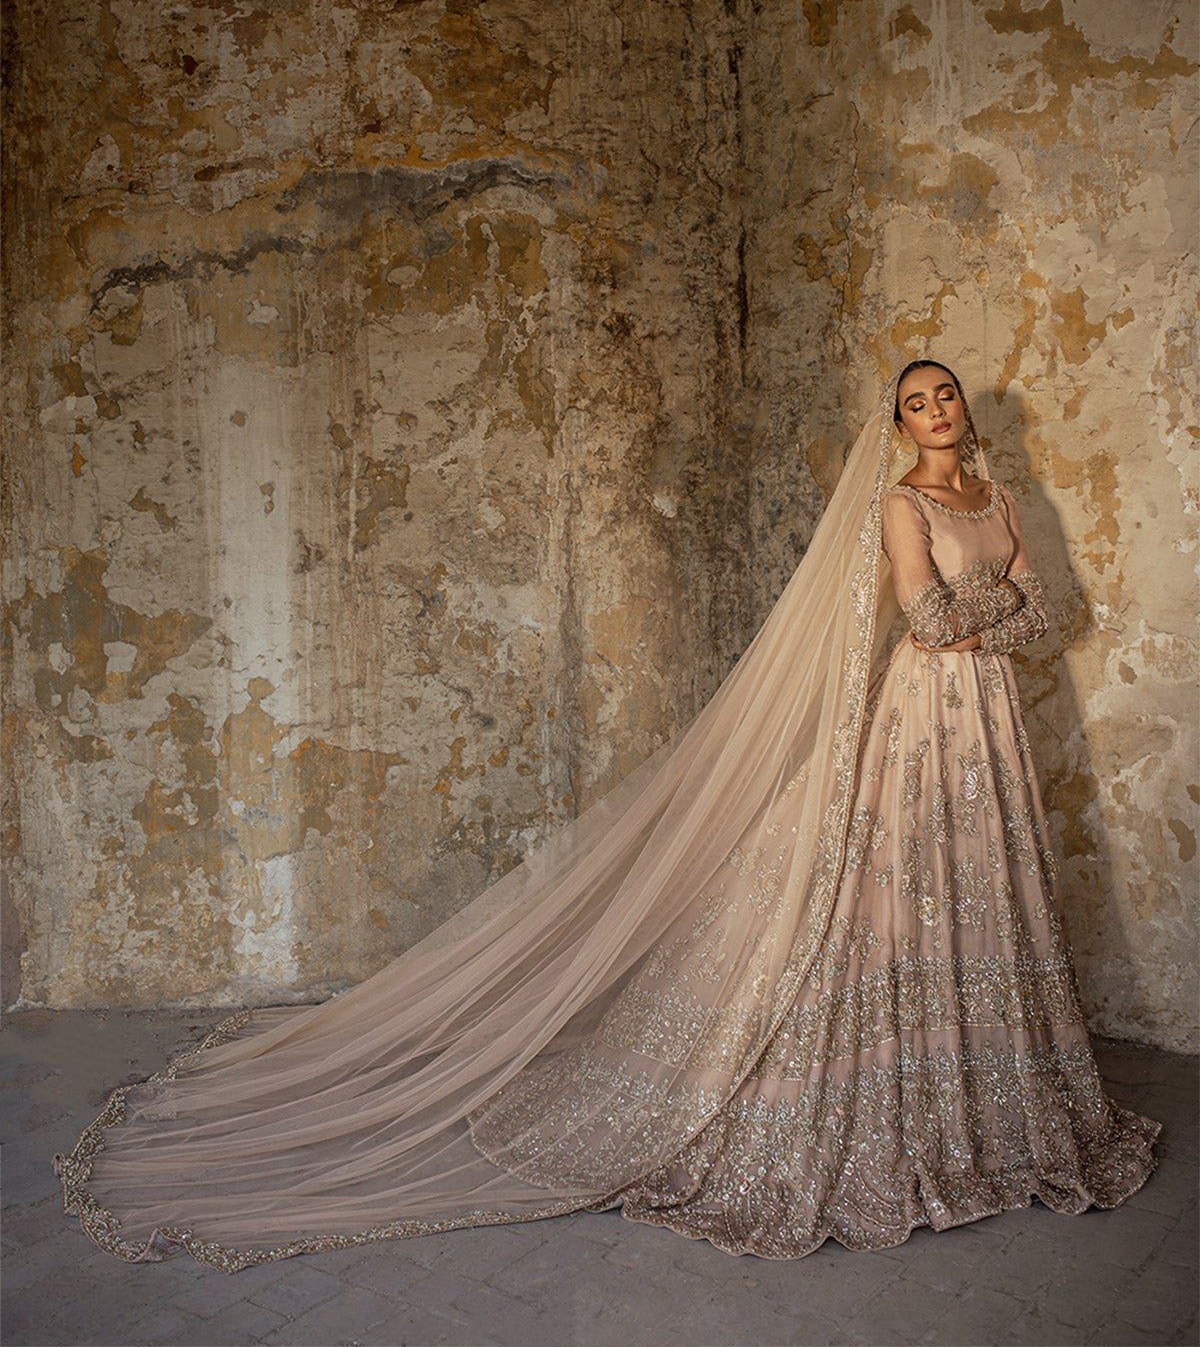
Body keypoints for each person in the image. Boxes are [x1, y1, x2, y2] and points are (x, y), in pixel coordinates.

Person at [56, 361, 1157, 1271]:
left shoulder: (1001, 501)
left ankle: (985, 1098)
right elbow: (928, 616)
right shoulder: (901, 504)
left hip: (990, 727)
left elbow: (1043, 612)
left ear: (964, 408)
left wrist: (997, 613)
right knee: (892, 896)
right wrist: (992, 608)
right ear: (900, 423)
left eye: (945, 396)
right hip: (920, 723)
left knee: (983, 890)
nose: (935, 412)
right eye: (914, 401)